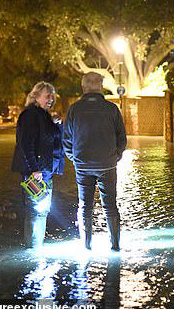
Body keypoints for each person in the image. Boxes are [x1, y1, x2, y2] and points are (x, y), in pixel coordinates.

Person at [63, 72, 127, 251]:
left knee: (85, 206)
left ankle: (87, 245)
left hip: (83, 165)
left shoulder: (74, 109)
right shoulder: (112, 109)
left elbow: (67, 140)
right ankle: (115, 245)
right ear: (100, 87)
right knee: (110, 206)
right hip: (107, 164)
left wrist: (75, 159)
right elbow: (122, 138)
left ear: (84, 87)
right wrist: (115, 157)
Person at [11, 81, 65, 248]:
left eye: (52, 95)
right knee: (36, 211)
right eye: (47, 95)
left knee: (41, 211)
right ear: (35, 96)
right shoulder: (30, 115)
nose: (51, 98)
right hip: (37, 172)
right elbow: (25, 144)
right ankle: (33, 248)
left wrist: (57, 124)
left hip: (45, 171)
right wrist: (34, 169)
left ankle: (36, 246)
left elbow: (55, 141)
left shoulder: (44, 115)